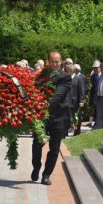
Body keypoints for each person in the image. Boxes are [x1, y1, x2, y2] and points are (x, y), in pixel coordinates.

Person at [32, 51, 72, 185]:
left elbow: (58, 95)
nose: (55, 64)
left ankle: (46, 174)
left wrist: (44, 106)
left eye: (57, 61)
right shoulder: (41, 76)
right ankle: (36, 166)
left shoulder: (66, 77)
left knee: (54, 148)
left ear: (60, 62)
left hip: (59, 117)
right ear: (48, 61)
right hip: (42, 117)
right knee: (37, 144)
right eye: (52, 61)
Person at [65, 64, 86, 136]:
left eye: (67, 70)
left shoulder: (78, 79)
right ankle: (65, 132)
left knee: (77, 117)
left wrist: (81, 100)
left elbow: (82, 90)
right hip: (67, 101)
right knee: (67, 117)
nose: (66, 71)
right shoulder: (66, 78)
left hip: (75, 102)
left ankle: (77, 131)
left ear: (71, 70)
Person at [87, 60, 101, 127]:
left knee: (100, 111)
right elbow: (92, 87)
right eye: (94, 68)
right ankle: (96, 123)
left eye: (96, 68)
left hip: (101, 96)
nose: (95, 69)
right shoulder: (92, 76)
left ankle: (100, 123)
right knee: (95, 110)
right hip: (94, 96)